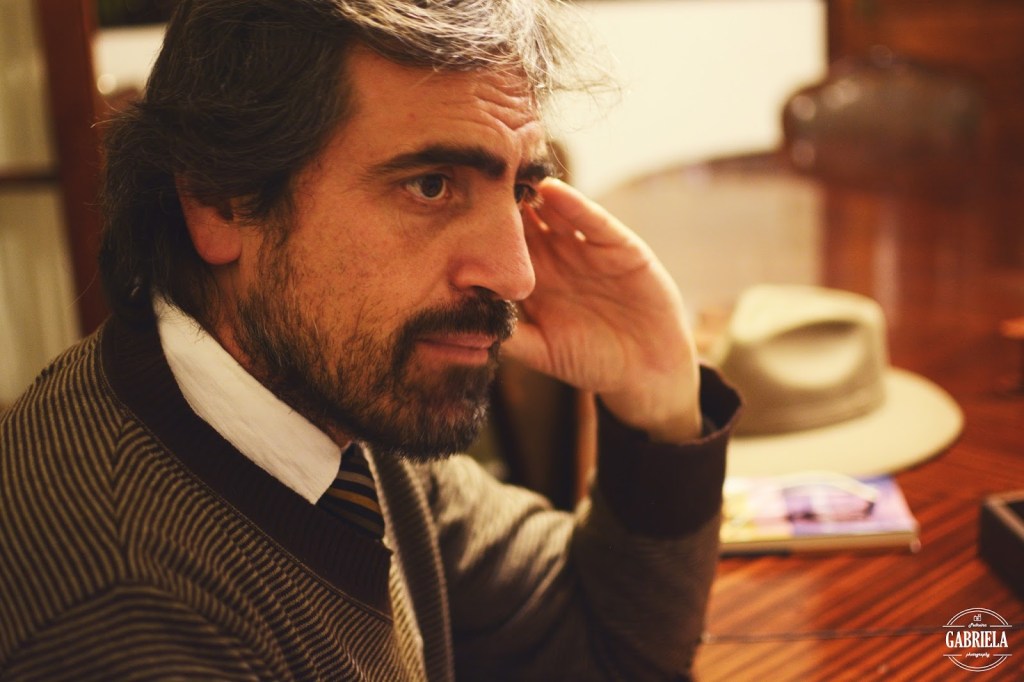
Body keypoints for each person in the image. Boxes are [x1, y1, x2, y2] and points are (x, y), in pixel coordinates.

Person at [0, 1, 740, 679]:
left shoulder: (328, 403)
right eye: (430, 185)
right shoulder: (123, 617)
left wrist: (658, 388)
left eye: (518, 190)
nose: (517, 276)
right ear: (219, 201)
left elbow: (598, 642)